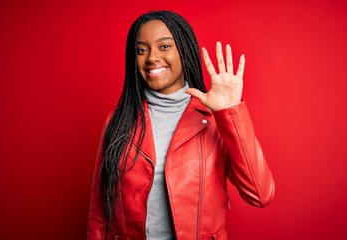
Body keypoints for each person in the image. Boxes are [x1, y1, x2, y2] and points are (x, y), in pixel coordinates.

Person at [87, 10, 275, 240]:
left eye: (164, 46)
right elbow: (99, 208)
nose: (152, 58)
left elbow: (260, 194)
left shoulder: (215, 119)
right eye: (141, 50)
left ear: (185, 51)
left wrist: (230, 112)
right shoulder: (118, 120)